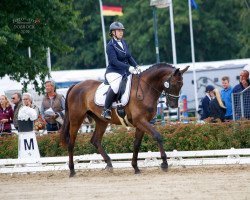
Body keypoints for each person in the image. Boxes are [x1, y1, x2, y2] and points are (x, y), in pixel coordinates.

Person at [101, 21, 141, 119]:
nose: (121, 32)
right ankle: (106, 110)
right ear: (113, 32)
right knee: (115, 86)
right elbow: (114, 61)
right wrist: (128, 67)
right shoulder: (110, 46)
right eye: (119, 31)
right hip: (113, 71)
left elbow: (129, 56)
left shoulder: (124, 42)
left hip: (124, 71)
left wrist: (136, 66)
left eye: (122, 30)